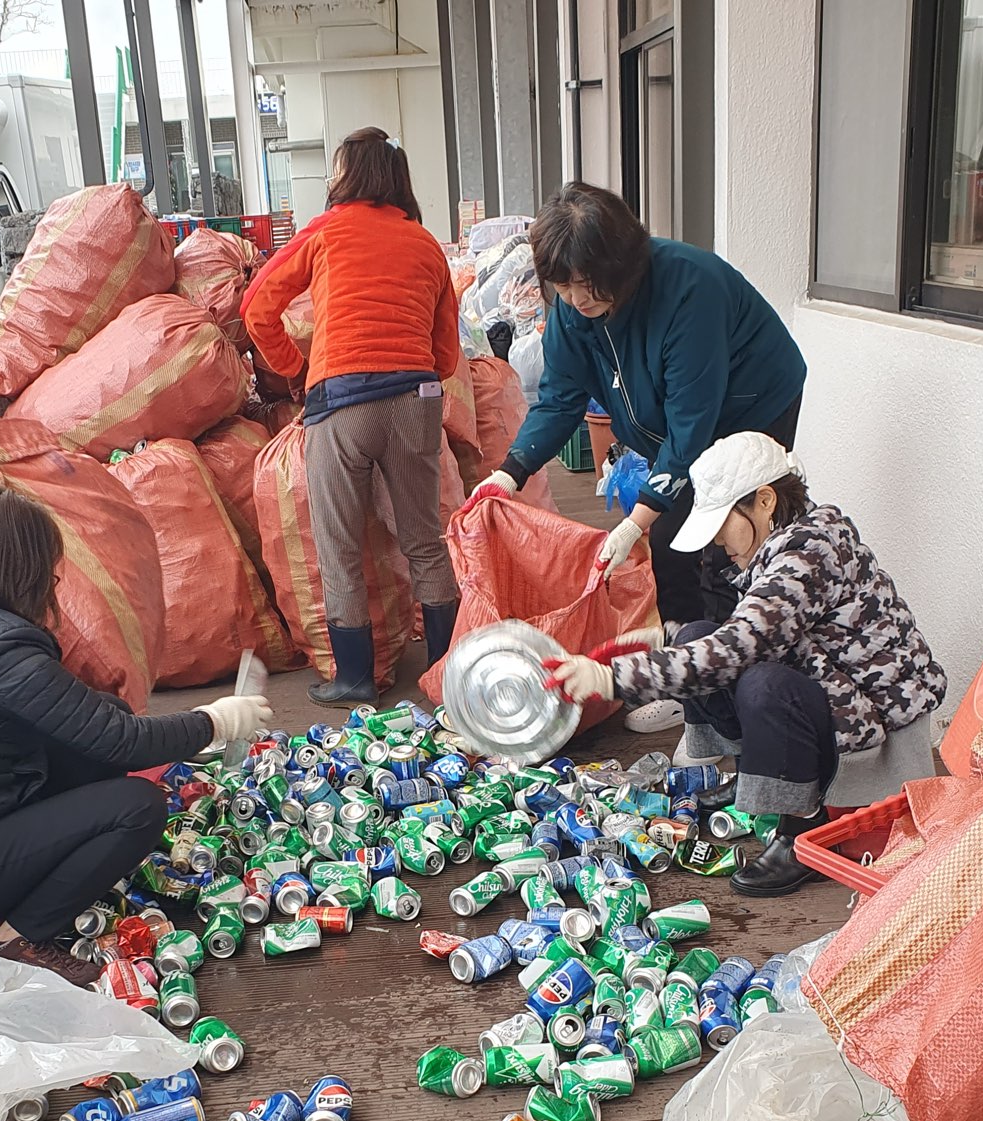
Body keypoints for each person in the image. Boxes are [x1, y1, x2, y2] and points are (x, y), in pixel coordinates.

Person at [0, 485, 272, 984]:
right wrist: (217, 720)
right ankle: (13, 939)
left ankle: (34, 887)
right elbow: (127, 742)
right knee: (138, 806)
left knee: (98, 716)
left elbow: (99, 725)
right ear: (20, 569)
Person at [547, 433, 946, 898]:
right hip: (837, 693)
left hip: (875, 726)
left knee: (762, 684)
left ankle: (803, 829)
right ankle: (756, 784)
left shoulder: (808, 555)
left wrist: (612, 678)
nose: (716, 540)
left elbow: (738, 648)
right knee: (698, 635)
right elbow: (737, 634)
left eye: (722, 523)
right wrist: (666, 636)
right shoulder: (785, 542)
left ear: (764, 500)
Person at [473, 183, 808, 671]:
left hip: (752, 402)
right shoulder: (571, 306)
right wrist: (510, 472)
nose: (576, 299)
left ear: (622, 263)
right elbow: (559, 399)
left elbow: (690, 426)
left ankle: (734, 673)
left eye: (588, 284)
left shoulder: (689, 288)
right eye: (563, 287)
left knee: (725, 540)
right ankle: (687, 664)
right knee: (673, 545)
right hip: (680, 419)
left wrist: (636, 522)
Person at [243, 126, 463, 707]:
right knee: (424, 541)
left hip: (340, 403)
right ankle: (446, 674)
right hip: (415, 398)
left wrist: (297, 368)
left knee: (338, 544)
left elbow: (256, 306)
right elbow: (445, 353)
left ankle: (355, 678)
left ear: (348, 175)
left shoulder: (325, 232)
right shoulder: (425, 244)